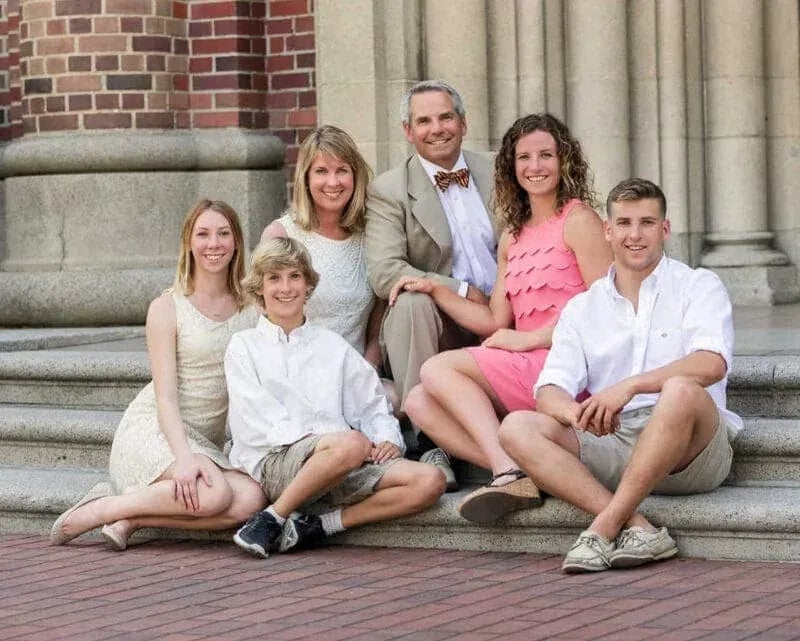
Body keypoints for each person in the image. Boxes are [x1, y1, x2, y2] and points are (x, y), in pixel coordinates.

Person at [498, 178, 742, 573]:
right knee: (516, 427)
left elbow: (710, 363)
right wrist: (580, 415)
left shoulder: (698, 285)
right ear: (608, 231)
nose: (635, 234)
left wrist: (629, 386)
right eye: (624, 223)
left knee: (680, 389)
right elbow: (550, 389)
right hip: (616, 438)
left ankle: (603, 527)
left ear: (665, 229)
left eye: (647, 222)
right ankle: (639, 526)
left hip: (691, 452)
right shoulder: (582, 308)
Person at [397, 113, 613, 524]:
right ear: (511, 168)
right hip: (529, 365)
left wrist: (528, 340)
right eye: (524, 158)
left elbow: (607, 313)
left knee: (436, 369)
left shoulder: (580, 221)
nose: (535, 167)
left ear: (564, 160)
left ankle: (509, 470)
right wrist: (435, 289)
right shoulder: (513, 237)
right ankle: (523, 470)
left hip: (569, 368)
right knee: (417, 400)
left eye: (545, 155)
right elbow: (495, 320)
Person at [50, 199, 266, 549]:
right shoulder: (166, 308)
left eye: (224, 233)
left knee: (251, 500)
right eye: (204, 234)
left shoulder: (252, 308)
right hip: (157, 431)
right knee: (214, 495)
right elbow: (164, 397)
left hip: (205, 442)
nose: (214, 244)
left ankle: (127, 515)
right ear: (189, 243)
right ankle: (101, 510)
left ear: (237, 242)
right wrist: (183, 458)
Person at [225, 237, 446, 558]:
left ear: (307, 285)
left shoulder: (331, 345)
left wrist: (386, 439)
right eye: (274, 278)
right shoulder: (244, 346)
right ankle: (270, 518)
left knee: (430, 480)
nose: (285, 287)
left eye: (294, 276)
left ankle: (319, 526)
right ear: (259, 287)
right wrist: (333, 447)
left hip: (342, 462)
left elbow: (371, 401)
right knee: (350, 443)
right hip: (277, 464)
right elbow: (257, 423)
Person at [365, 79, 496, 485]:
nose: (436, 128)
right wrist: (456, 290)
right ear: (408, 131)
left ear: (463, 122)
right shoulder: (389, 190)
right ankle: (428, 440)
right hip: (442, 321)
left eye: (445, 117)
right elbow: (386, 271)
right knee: (408, 301)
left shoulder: (498, 170)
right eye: (423, 121)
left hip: (506, 310)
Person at [262, 125, 398, 414]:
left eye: (342, 170)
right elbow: (268, 331)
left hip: (355, 375)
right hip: (297, 378)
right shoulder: (281, 236)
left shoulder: (372, 236)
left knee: (396, 399)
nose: (333, 182)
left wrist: (367, 369)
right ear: (306, 178)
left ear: (355, 176)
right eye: (321, 171)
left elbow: (375, 331)